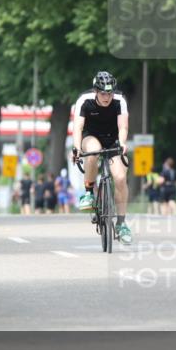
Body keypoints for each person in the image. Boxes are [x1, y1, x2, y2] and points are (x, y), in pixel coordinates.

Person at [71, 71, 132, 244]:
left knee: (120, 178)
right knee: (94, 151)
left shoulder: (120, 101)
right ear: (96, 91)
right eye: (103, 93)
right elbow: (77, 127)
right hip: (91, 136)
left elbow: (123, 126)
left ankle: (121, 223)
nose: (107, 97)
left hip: (113, 139)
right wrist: (76, 148)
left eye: (110, 93)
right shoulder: (85, 100)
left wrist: (121, 143)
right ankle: (89, 193)